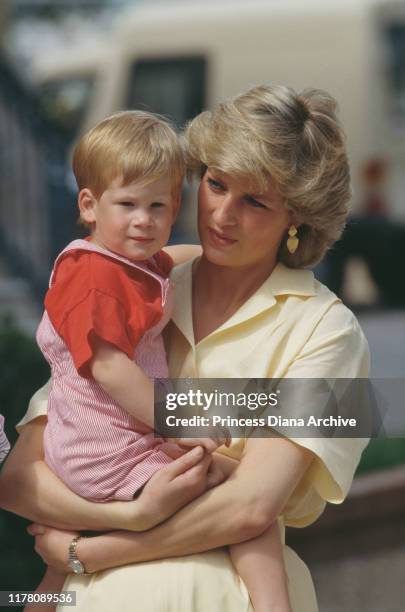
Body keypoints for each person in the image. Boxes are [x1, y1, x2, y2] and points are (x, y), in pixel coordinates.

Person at [0, 84, 370, 612]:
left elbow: (250, 508)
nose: (222, 214)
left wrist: (94, 551)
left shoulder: (330, 333)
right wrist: (125, 517)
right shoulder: (136, 280)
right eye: (216, 184)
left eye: (255, 201)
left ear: (298, 217)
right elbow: (19, 479)